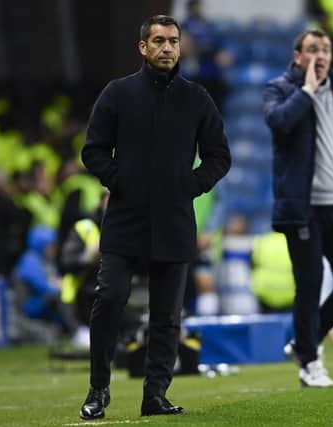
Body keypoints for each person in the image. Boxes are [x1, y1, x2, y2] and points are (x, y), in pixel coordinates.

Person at [78, 15, 230, 419]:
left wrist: (190, 185)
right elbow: (92, 151)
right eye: (159, 41)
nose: (167, 48)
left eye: (174, 41)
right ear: (143, 48)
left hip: (175, 219)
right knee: (108, 299)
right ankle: (98, 389)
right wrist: (119, 181)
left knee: (167, 317)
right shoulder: (117, 93)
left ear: (181, 47)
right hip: (125, 218)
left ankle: (155, 396)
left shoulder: (197, 98)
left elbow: (219, 156)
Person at [263, 28, 333, 387]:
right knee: (309, 286)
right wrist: (307, 91)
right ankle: (310, 364)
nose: (321, 56)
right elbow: (279, 123)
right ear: (298, 56)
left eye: (325, 49)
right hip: (304, 208)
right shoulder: (280, 89)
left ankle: (304, 342)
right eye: (312, 49)